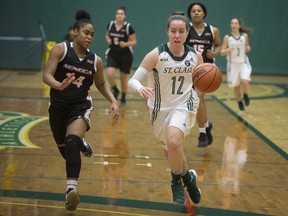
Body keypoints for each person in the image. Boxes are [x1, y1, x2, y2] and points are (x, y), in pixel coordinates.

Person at [43, 9, 119, 211]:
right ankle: (79, 142)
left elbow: (101, 84)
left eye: (92, 35)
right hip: (57, 107)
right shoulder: (60, 50)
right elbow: (46, 75)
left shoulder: (96, 61)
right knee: (68, 153)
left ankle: (71, 191)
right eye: (86, 33)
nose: (90, 37)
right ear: (75, 32)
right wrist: (58, 85)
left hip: (80, 106)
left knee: (71, 141)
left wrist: (113, 101)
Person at [128, 14, 202, 205]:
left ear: (187, 32)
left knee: (174, 141)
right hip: (159, 109)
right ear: (167, 32)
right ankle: (189, 179)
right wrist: (140, 88)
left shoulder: (195, 56)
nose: (177, 35)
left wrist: (201, 94)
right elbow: (133, 80)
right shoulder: (156, 54)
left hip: (184, 105)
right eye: (173, 31)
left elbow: (201, 82)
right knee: (172, 148)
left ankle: (175, 182)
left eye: (181, 31)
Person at [185, 2, 222, 147]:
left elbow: (218, 45)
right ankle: (206, 125)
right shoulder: (186, 29)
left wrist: (216, 52)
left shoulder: (213, 30)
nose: (196, 13)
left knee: (198, 97)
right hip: (189, 69)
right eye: (193, 11)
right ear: (190, 14)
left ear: (204, 13)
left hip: (206, 70)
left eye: (198, 10)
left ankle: (202, 134)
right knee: (198, 102)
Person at [105, 6, 137, 105]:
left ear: (125, 16)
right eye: (118, 14)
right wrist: (108, 40)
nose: (119, 15)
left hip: (126, 56)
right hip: (113, 54)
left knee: (123, 79)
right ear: (116, 15)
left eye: (121, 14)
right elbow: (107, 35)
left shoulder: (128, 27)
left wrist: (126, 44)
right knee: (109, 74)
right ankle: (115, 89)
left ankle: (123, 97)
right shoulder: (111, 25)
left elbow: (134, 42)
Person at [220, 18, 252, 112]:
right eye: (232, 23)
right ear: (230, 25)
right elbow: (222, 52)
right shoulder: (227, 37)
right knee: (236, 86)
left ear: (239, 25)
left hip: (243, 63)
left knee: (245, 81)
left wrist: (248, 48)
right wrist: (228, 50)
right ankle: (239, 102)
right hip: (232, 65)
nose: (234, 25)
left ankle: (245, 94)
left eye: (236, 23)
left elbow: (247, 46)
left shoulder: (244, 36)